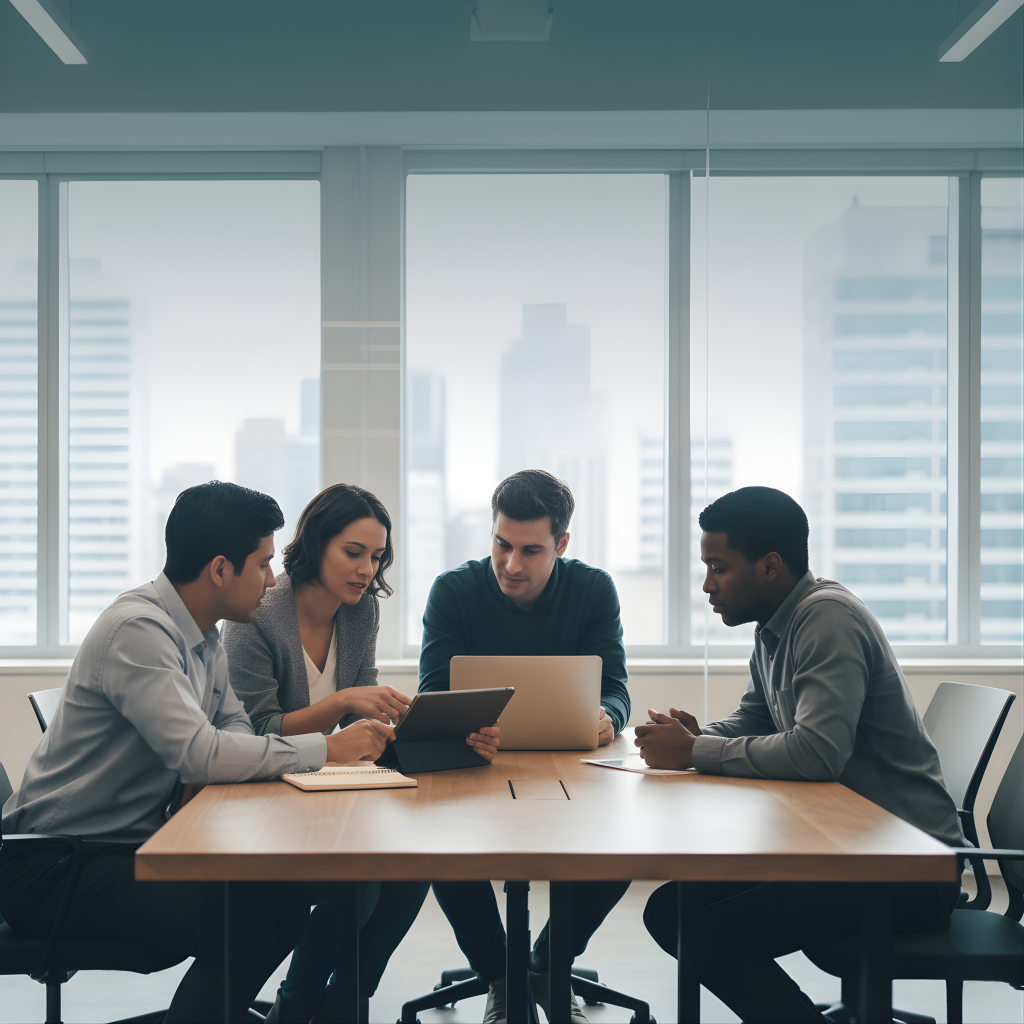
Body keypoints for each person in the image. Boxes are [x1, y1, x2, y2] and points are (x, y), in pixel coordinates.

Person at [0, 481, 393, 1024]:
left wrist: (275, 749)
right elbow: (200, 755)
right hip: (57, 867)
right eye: (261, 564)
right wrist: (326, 748)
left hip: (123, 847)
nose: (272, 579)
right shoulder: (139, 631)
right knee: (247, 926)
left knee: (289, 896)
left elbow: (238, 736)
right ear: (218, 569)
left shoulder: (203, 638)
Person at [635, 486, 963, 1024]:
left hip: (906, 869)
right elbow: (758, 718)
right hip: (847, 849)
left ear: (768, 565)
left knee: (712, 937)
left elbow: (817, 755)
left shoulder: (826, 620)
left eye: (718, 567)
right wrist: (697, 736)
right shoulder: (775, 626)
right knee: (673, 909)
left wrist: (697, 751)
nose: (707, 584)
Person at [223, 483, 498, 1021]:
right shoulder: (257, 613)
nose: (366, 570)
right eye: (353, 553)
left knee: (413, 860)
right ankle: (303, 1005)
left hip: (329, 787)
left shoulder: (359, 613)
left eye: (376, 557)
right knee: (365, 878)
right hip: (263, 792)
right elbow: (257, 730)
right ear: (316, 543)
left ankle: (345, 1001)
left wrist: (404, 727)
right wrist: (347, 702)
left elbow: (358, 711)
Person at [419, 469, 631, 1024]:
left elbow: (616, 688)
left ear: (561, 544)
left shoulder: (592, 589)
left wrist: (606, 718)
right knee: (442, 846)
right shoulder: (453, 591)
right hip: (474, 766)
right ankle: (503, 978)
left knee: (625, 845)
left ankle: (545, 964)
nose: (511, 564)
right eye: (501, 544)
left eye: (531, 550)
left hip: (571, 769)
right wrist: (462, 725)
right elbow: (433, 693)